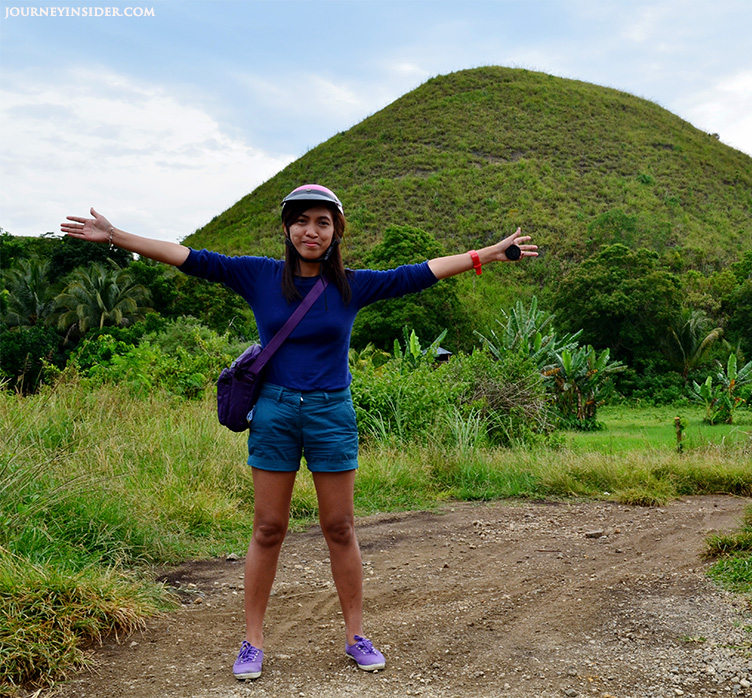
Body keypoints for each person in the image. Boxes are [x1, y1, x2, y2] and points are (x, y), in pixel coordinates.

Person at [61, 184, 537, 680]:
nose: (312, 230)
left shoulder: (352, 285)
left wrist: (489, 255)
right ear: (288, 228)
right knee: (268, 528)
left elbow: (420, 273)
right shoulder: (259, 275)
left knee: (341, 527)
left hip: (332, 412)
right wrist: (115, 235)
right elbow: (187, 257)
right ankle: (252, 642)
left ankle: (355, 635)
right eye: (303, 221)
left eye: (323, 222)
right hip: (275, 411)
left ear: (335, 233)